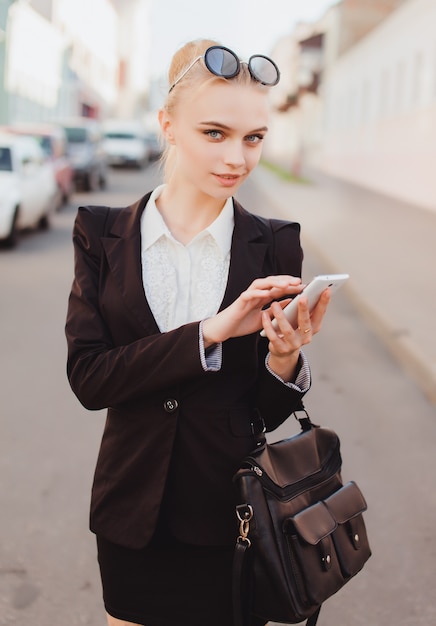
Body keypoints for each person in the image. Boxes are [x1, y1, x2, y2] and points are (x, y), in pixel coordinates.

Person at [65, 39, 331, 626]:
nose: (237, 157)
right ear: (167, 125)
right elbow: (89, 378)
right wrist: (210, 331)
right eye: (215, 133)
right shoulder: (102, 234)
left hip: (235, 516)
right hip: (133, 515)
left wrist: (284, 361)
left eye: (253, 138)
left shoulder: (277, 241)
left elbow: (260, 409)